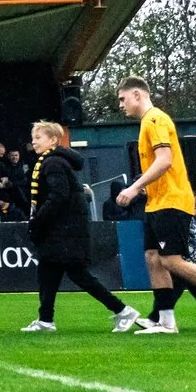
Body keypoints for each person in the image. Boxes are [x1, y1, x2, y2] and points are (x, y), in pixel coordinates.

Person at [114, 77, 196, 334]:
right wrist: (145, 188)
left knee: (172, 261)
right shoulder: (147, 123)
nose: (121, 105)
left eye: (122, 99)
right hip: (157, 202)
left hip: (172, 201)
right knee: (153, 258)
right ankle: (166, 322)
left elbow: (165, 160)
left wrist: (134, 188)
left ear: (137, 94)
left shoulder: (155, 119)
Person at [21, 120, 134, 334]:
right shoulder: (57, 161)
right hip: (63, 231)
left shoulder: (52, 163)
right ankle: (45, 320)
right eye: (33, 137)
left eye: (38, 138)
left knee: (77, 275)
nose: (33, 142)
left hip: (63, 232)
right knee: (48, 273)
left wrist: (37, 220)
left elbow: (58, 197)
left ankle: (123, 310)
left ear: (53, 140)